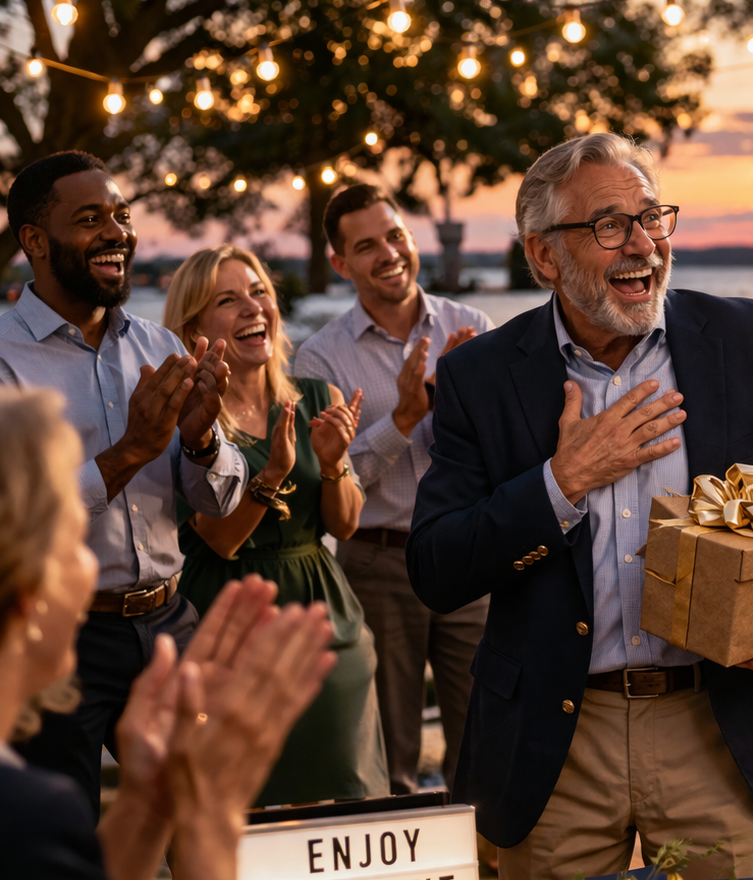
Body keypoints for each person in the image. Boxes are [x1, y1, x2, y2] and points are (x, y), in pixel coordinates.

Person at [406, 133, 753, 880]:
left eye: (653, 218)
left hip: (723, 730)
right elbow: (436, 567)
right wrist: (561, 480)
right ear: (544, 256)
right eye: (611, 225)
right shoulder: (478, 379)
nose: (644, 244)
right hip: (555, 745)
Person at [0, 387, 335, 880]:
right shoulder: (25, 816)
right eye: (74, 540)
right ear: (30, 597)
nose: (96, 567)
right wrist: (209, 819)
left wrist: (150, 802)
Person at [0, 151, 247, 815]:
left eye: (122, 215)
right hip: (59, 638)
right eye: (90, 219)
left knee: (202, 823)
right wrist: (130, 450)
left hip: (170, 623)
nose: (117, 232)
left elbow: (216, 500)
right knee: (70, 843)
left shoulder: (158, 345)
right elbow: (13, 520)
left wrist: (201, 441)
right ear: (35, 241)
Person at [166, 245, 389, 805]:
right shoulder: (186, 415)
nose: (252, 308)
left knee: (341, 800)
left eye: (259, 292)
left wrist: (335, 461)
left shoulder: (317, 396)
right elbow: (219, 537)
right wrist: (274, 473)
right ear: (195, 326)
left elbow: (346, 522)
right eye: (228, 300)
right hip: (227, 614)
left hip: (320, 611)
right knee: (239, 806)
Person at [295, 184, 493, 795]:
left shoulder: (473, 327)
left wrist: (465, 405)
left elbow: (508, 451)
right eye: (366, 246)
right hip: (377, 559)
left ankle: (492, 877)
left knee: (487, 731)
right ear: (340, 263)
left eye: (395, 235)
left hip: (468, 554)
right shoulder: (320, 359)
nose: (388, 253)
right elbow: (325, 479)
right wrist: (405, 418)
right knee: (389, 743)